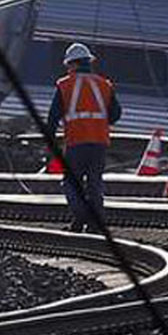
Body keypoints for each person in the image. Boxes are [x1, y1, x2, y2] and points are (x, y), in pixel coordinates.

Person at [46, 42, 122, 232]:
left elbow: (53, 116)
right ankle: (93, 224)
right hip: (99, 142)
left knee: (72, 183)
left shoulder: (65, 85)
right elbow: (116, 114)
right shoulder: (104, 84)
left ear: (71, 64)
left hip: (76, 142)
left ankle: (81, 216)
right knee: (95, 183)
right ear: (89, 62)